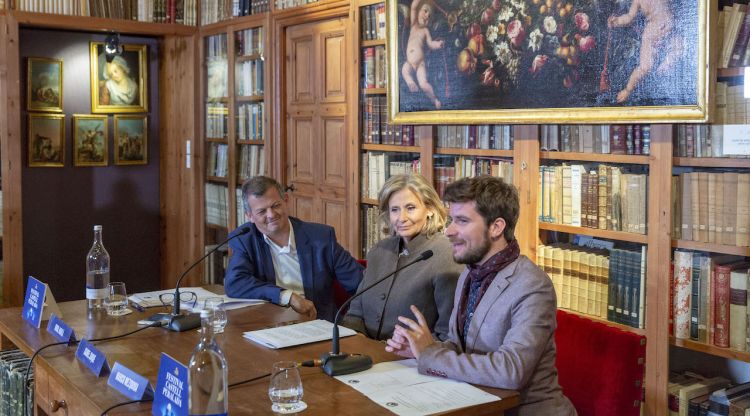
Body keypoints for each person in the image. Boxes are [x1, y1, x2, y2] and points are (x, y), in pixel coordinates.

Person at [385, 176, 576, 416]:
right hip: (473, 404)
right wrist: (420, 348)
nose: (449, 231)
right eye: (452, 220)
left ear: (496, 227)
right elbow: (460, 346)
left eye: (462, 221)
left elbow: (510, 372)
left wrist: (431, 354)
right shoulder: (469, 273)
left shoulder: (532, 285)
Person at [224, 176, 363, 321]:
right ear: (250, 216)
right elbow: (235, 283)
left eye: (276, 205)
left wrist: (354, 321)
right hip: (269, 326)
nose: (271, 215)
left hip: (318, 324)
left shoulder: (320, 238)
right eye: (262, 211)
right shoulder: (244, 240)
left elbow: (362, 284)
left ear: (286, 200)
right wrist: (287, 296)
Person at [342, 174, 462, 341]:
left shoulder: (447, 256)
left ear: (430, 210)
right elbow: (355, 313)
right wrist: (356, 346)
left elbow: (447, 334)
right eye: (395, 210)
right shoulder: (379, 251)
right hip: (364, 353)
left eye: (410, 208)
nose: (402, 218)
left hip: (410, 360)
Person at [607, 0, 682, 103]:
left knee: (679, 49)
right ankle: (628, 90)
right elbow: (629, 17)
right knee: (645, 67)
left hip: (670, 30)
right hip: (652, 34)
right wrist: (618, 21)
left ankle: (665, 66)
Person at [401, 0, 444, 109]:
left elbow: (430, 44)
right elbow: (414, 7)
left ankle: (434, 99)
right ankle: (411, 83)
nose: (426, 16)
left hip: (420, 63)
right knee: (404, 70)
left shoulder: (425, 31)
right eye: (425, 11)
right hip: (409, 62)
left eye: (429, 16)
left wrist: (438, 44)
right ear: (418, 11)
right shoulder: (413, 25)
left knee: (424, 84)